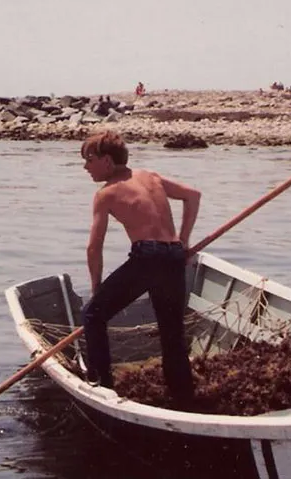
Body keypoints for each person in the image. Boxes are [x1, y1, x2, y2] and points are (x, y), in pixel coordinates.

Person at [79, 131, 201, 408]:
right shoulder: (150, 176)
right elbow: (193, 196)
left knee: (93, 314)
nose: (85, 167)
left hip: (148, 257)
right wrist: (183, 240)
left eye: (89, 160)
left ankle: (102, 388)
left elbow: (93, 248)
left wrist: (97, 288)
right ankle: (183, 397)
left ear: (107, 161)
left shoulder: (106, 194)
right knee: (172, 332)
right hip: (172, 256)